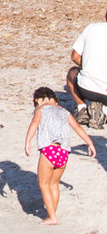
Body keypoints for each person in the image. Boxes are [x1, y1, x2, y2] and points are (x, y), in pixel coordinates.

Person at [24, 86, 96, 225]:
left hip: (49, 150)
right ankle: (52, 213)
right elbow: (77, 127)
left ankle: (52, 217)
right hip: (63, 153)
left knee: (43, 184)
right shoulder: (64, 111)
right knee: (54, 184)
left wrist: (28, 141)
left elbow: (34, 123)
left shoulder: (40, 109)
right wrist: (90, 143)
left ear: (39, 100)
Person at [66, 12, 107, 123]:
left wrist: (90, 66)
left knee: (72, 73)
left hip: (87, 89)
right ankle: (104, 111)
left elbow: (75, 57)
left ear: (105, 17)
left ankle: (82, 108)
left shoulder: (91, 28)